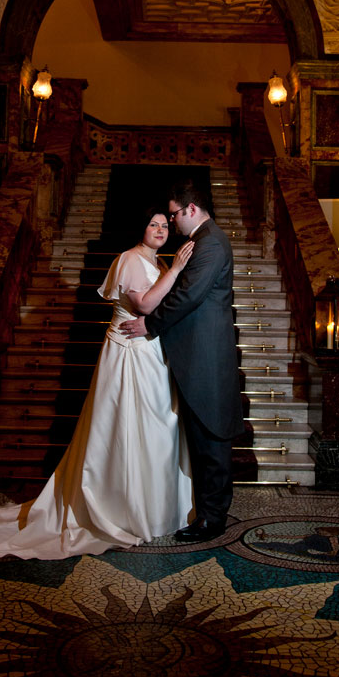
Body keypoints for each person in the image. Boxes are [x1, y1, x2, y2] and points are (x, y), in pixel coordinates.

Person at [0, 210, 195, 559]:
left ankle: (154, 507)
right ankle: (121, 508)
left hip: (151, 354)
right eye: (153, 224)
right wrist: (179, 270)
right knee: (125, 428)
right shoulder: (131, 259)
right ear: (142, 229)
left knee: (155, 428)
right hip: (128, 355)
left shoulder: (159, 264)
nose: (161, 230)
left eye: (165, 225)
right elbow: (145, 303)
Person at [120, 181, 243, 543]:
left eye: (173, 215)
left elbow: (188, 296)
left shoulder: (211, 243)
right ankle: (207, 511)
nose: (171, 223)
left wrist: (150, 324)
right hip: (197, 352)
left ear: (191, 209)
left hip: (205, 355)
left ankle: (212, 519)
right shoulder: (203, 242)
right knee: (205, 439)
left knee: (212, 439)